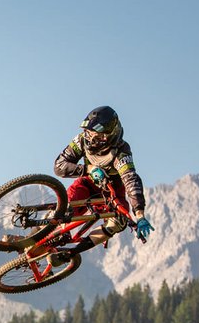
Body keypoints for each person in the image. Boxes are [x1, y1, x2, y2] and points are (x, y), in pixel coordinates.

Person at [47, 106, 153, 264]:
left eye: (98, 137)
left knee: (119, 222)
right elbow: (59, 166)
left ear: (110, 136)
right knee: (66, 208)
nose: (91, 140)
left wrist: (139, 214)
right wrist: (87, 169)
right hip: (87, 184)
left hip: (112, 193)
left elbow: (131, 180)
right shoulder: (81, 140)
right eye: (90, 134)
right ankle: (35, 235)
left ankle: (69, 254)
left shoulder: (121, 152)